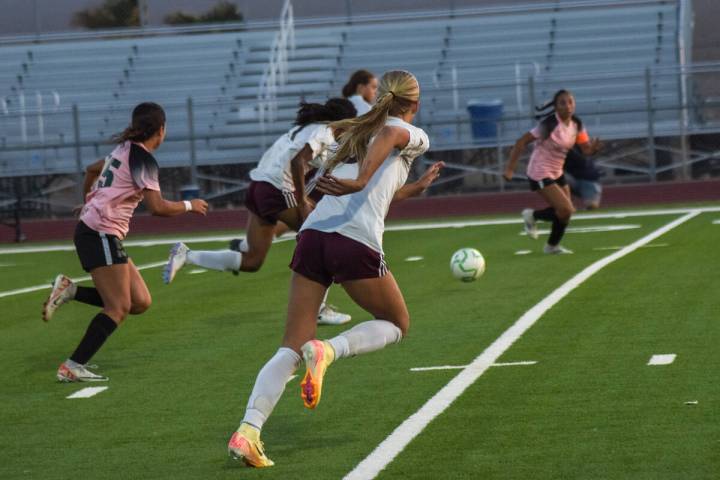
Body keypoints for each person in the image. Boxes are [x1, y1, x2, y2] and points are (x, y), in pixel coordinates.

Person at [226, 70, 442, 468]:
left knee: (290, 345)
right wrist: (361, 180)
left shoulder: (357, 131)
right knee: (397, 323)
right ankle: (328, 350)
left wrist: (410, 186)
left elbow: (382, 185)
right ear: (414, 103)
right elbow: (389, 143)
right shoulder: (406, 132)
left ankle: (249, 430)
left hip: (313, 237)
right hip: (352, 240)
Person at [41, 102, 208, 382]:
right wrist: (191, 205)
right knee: (117, 308)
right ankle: (72, 365)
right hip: (100, 234)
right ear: (161, 130)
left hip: (99, 232)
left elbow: (91, 171)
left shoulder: (123, 150)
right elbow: (158, 208)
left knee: (140, 301)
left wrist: (89, 202)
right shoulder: (143, 159)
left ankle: (70, 291)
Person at [163, 99, 358, 325]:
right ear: (346, 122)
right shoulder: (325, 132)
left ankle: (186, 255)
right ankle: (319, 310)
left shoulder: (303, 128)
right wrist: (302, 200)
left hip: (258, 186)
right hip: (275, 190)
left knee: (252, 260)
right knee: (323, 238)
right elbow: (298, 162)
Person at [503, 89, 601, 254]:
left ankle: (552, 246)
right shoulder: (549, 125)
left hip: (556, 171)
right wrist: (510, 169)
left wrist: (594, 149)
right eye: (563, 103)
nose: (568, 106)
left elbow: (585, 150)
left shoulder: (577, 124)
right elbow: (521, 142)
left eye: (570, 102)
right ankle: (532, 216)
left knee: (566, 213)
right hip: (539, 171)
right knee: (566, 209)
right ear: (555, 107)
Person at [564, 145, 602, 210]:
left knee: (592, 206)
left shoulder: (577, 152)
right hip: (573, 180)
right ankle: (567, 203)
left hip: (587, 181)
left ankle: (568, 204)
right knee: (558, 177)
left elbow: (582, 162)